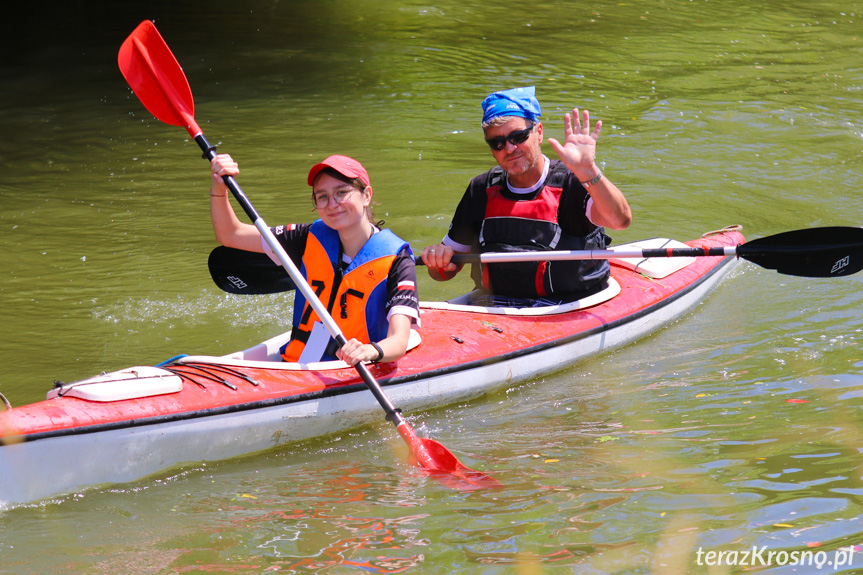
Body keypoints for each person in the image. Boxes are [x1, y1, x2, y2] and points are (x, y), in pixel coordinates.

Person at [421, 86, 632, 306]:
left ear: (538, 132)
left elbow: (621, 220)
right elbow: (444, 273)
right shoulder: (481, 189)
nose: (510, 149)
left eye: (518, 136)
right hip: (494, 306)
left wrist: (589, 172)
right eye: (498, 143)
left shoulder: (574, 183)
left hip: (565, 307)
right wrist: (438, 260)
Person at [209, 153, 420, 365]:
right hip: (296, 361)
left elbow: (399, 341)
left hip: (354, 366)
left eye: (342, 192)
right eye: (322, 197)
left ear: (366, 196)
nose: (332, 204)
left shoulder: (397, 259)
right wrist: (220, 188)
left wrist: (369, 351)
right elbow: (230, 234)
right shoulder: (307, 237)